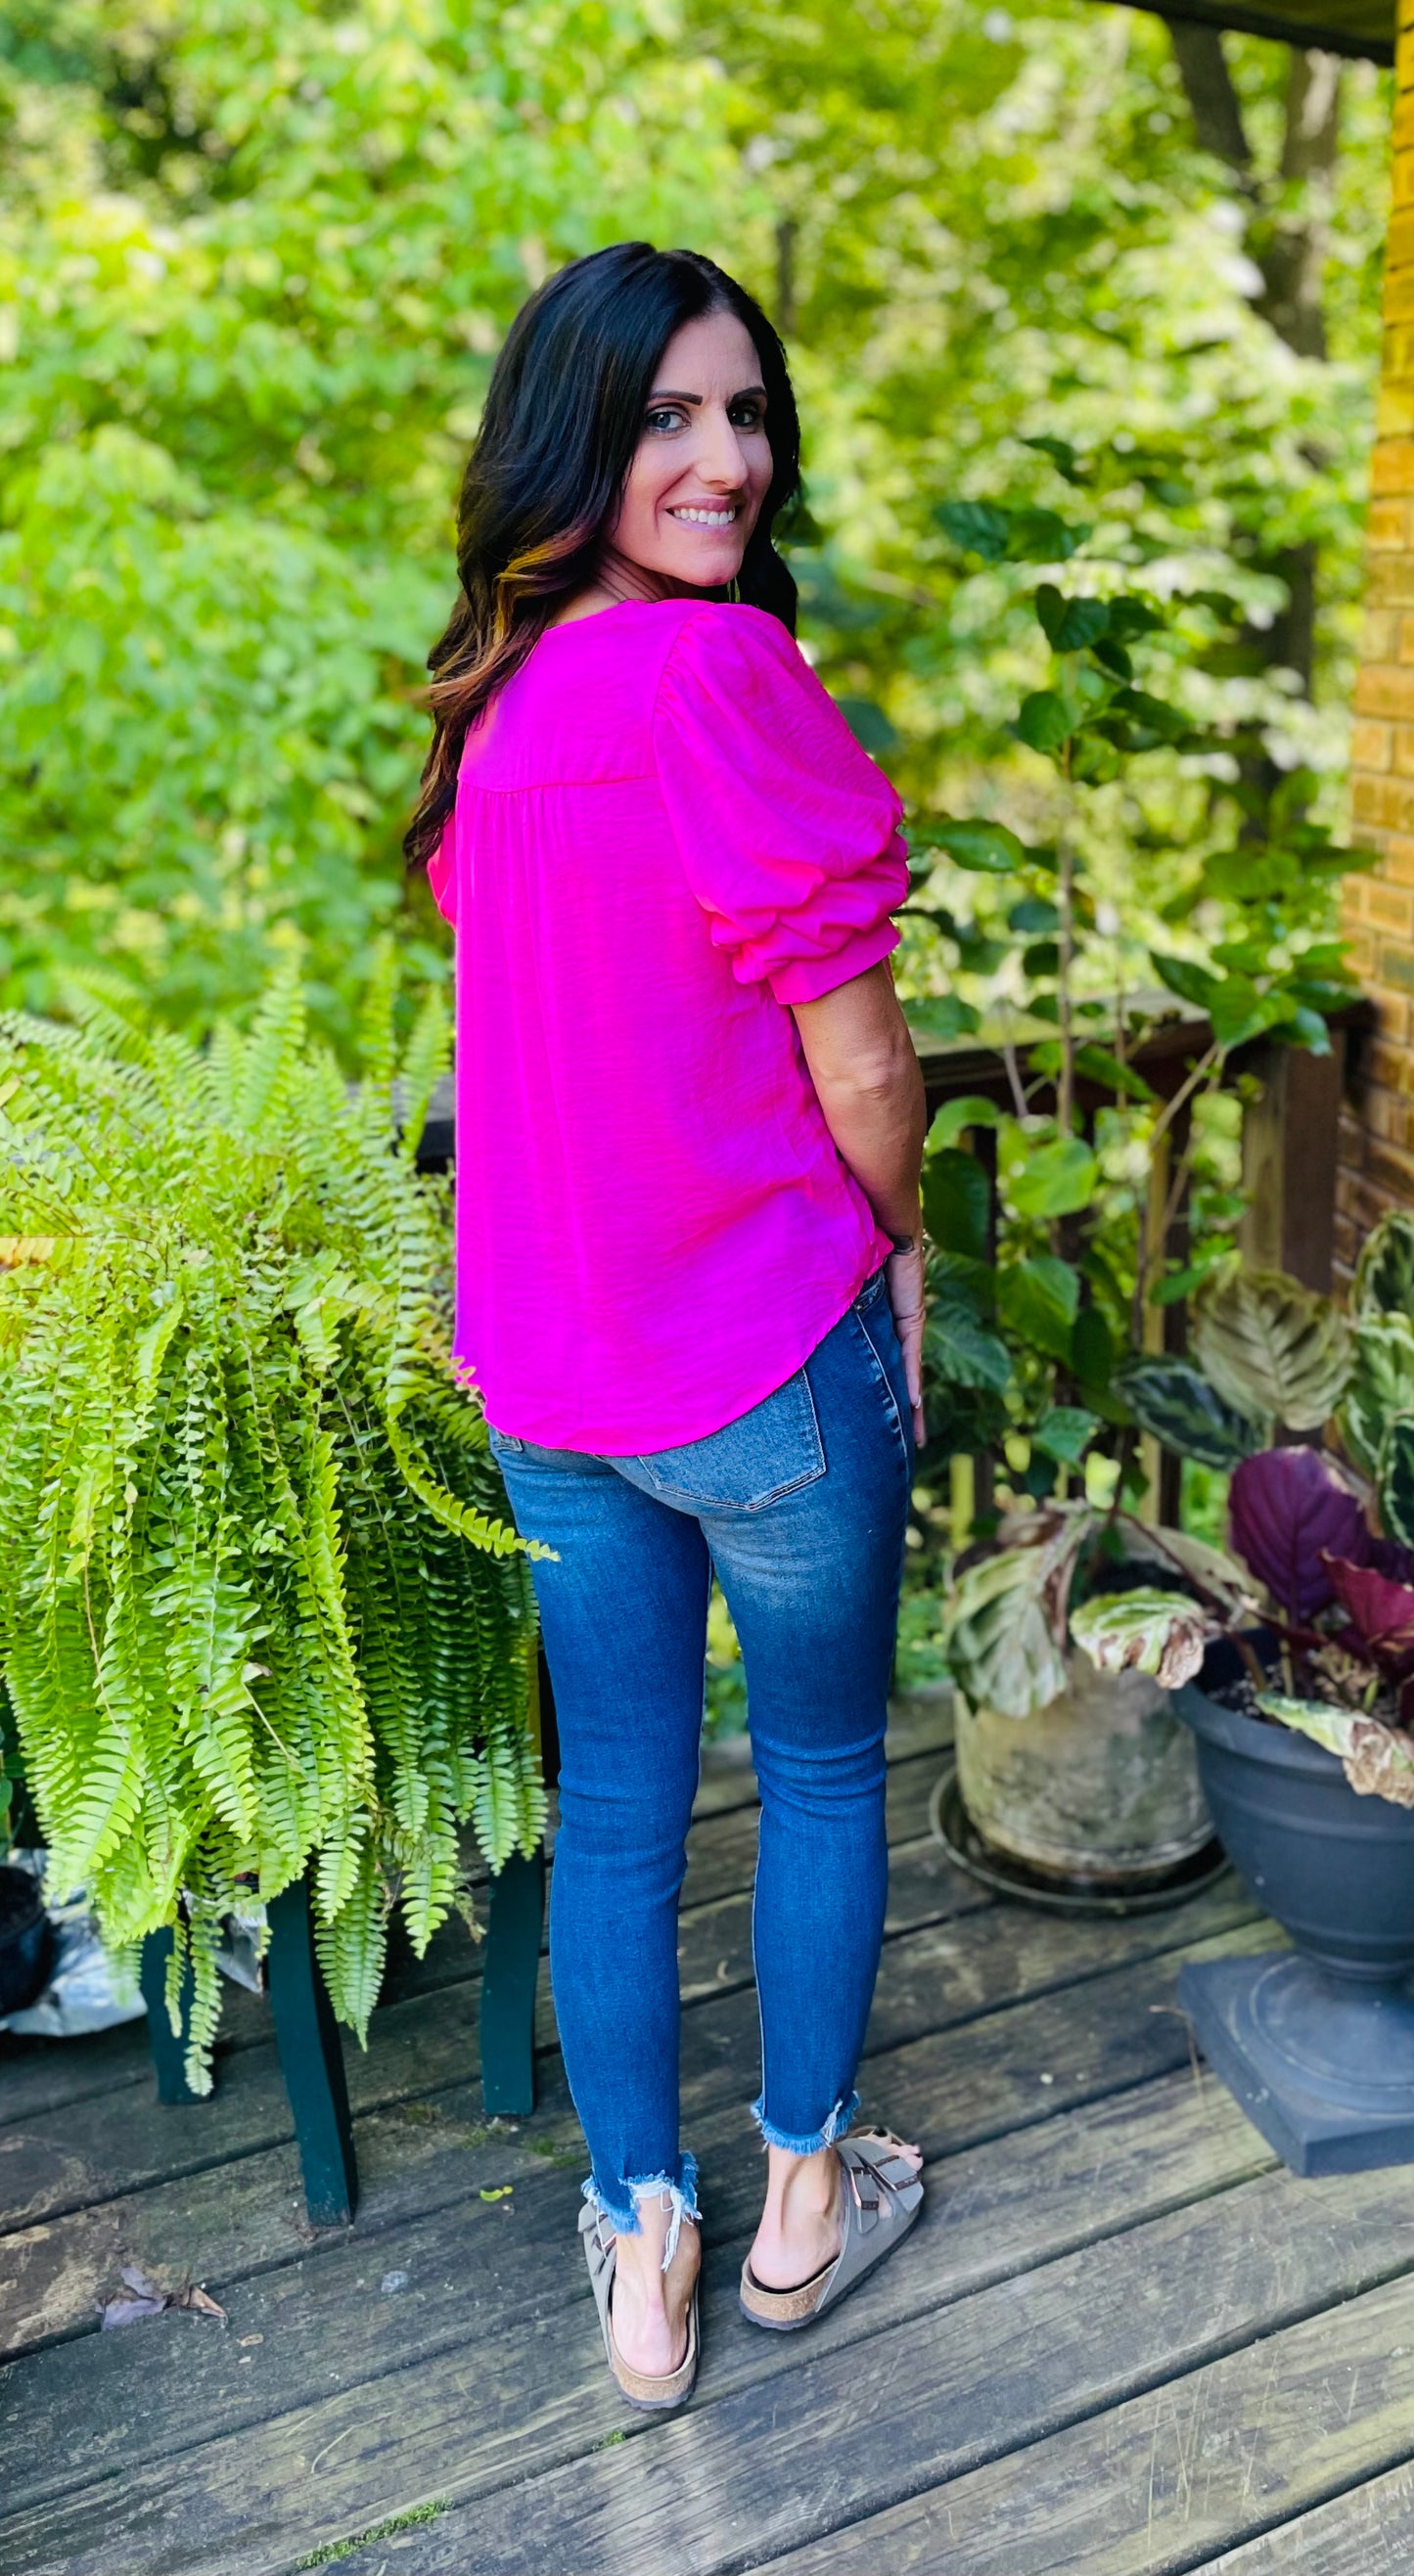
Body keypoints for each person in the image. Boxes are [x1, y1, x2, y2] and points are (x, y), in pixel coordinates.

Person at [406, 241, 927, 2412]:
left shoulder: (502, 710)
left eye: (746, 412)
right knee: (811, 1766)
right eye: (669, 420)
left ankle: (646, 2249)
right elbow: (869, 1064)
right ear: (579, 439)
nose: (726, 458)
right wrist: (895, 1244)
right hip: (758, 1349)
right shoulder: (712, 683)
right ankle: (800, 2203)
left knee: (617, 1805)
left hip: (550, 1376)